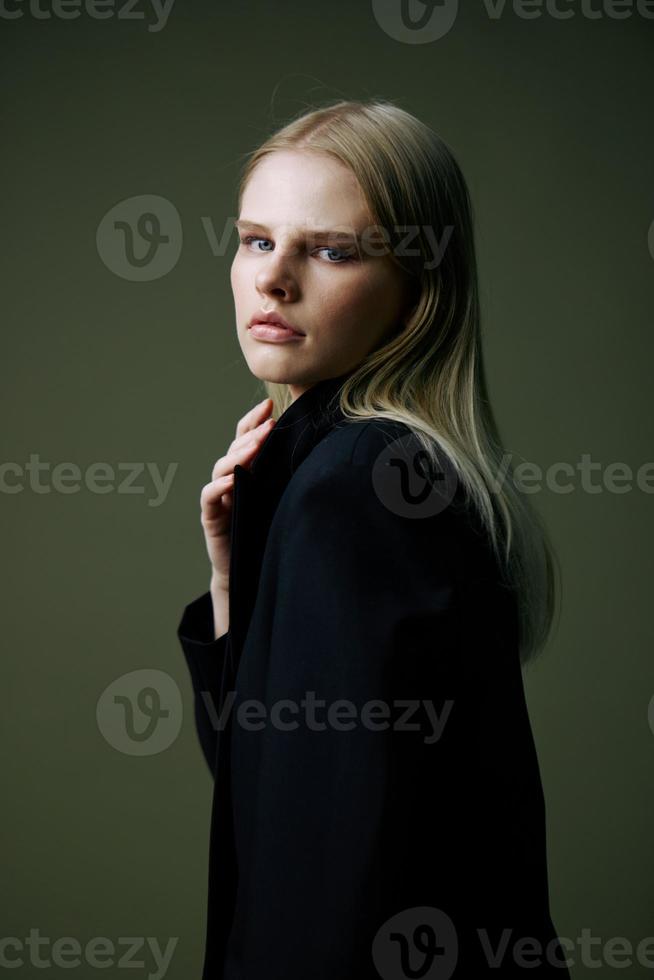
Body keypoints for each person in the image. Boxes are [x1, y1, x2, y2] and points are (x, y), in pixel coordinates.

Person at [177, 99, 571, 979]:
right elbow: (279, 802)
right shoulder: (378, 470)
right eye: (253, 240)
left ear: (418, 293)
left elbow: (330, 887)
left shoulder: (360, 488)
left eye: (331, 251)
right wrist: (234, 581)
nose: (274, 280)